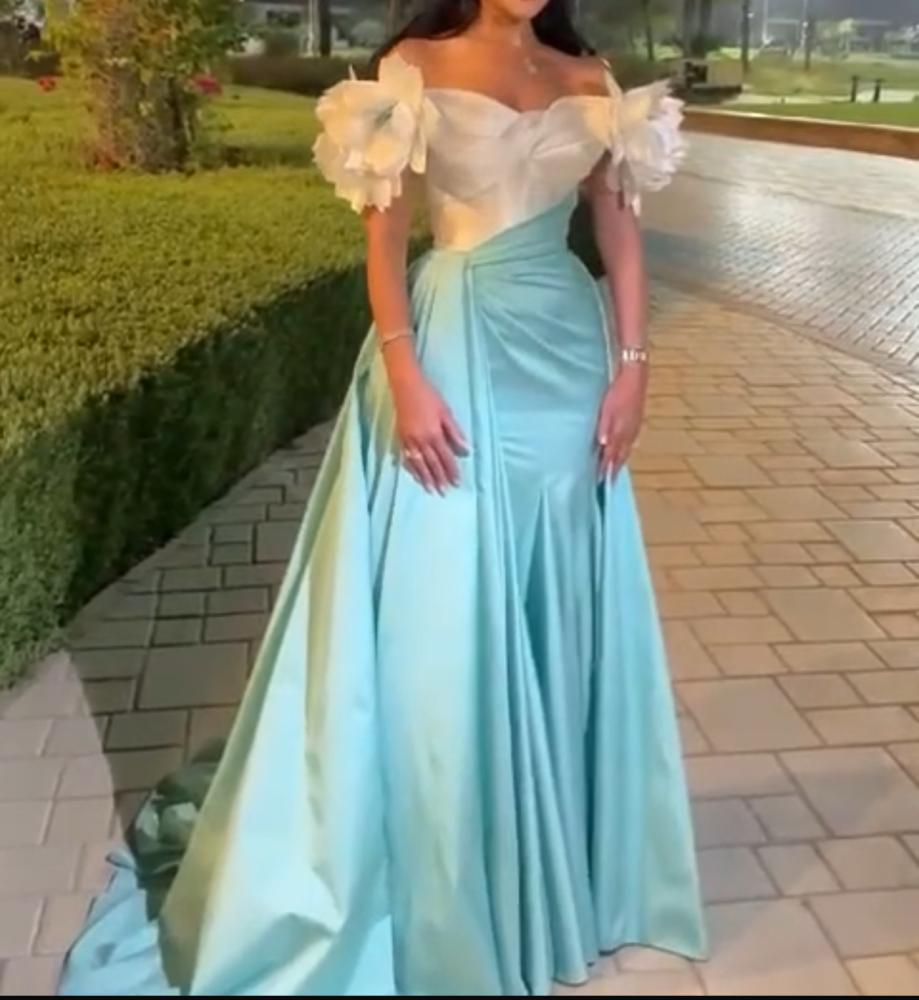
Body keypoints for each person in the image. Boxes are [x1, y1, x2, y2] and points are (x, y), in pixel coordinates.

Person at [58, 0, 707, 995]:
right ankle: (448, 877)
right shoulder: (414, 63)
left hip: (567, 368)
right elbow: (385, 239)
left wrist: (633, 370)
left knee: (560, 597)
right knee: (442, 616)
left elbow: (619, 236)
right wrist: (404, 374)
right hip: (452, 348)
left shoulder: (590, 77)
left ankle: (555, 860)